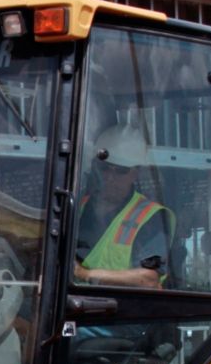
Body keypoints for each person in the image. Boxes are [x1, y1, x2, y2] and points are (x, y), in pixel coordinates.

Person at [73, 123, 173, 287]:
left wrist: (86, 274)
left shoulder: (150, 216)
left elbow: (149, 279)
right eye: (105, 168)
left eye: (120, 171)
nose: (111, 177)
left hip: (123, 307)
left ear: (135, 173)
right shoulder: (79, 207)